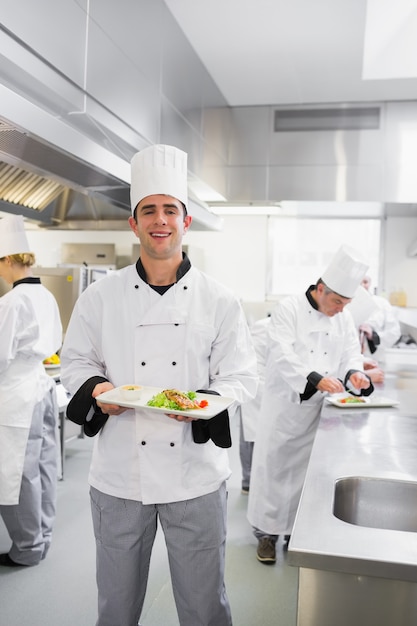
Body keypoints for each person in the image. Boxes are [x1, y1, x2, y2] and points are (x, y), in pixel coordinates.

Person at [60, 144, 258, 626]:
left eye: (170, 209)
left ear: (186, 222)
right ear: (134, 224)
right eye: (148, 210)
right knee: (117, 605)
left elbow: (241, 375)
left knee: (204, 604)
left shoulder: (220, 300)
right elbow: (75, 362)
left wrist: (205, 403)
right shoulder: (99, 296)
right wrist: (99, 391)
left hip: (195, 475)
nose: (160, 220)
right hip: (120, 476)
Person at [247, 245, 374, 565]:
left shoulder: (342, 318)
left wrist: (355, 374)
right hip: (285, 407)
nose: (341, 309)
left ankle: (294, 533)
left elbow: (349, 353)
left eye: (346, 304)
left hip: (320, 411)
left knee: (308, 477)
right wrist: (315, 378)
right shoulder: (288, 309)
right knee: (274, 470)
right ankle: (265, 534)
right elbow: (281, 353)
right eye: (337, 302)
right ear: (320, 289)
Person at [0, 214, 62, 567]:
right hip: (42, 389)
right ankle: (43, 535)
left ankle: (26, 548)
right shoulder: (46, 295)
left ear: (8, 260)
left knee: (18, 472)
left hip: (16, 397)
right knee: (42, 466)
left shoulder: (12, 302)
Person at [239, 315, 270, 494]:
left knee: (252, 434)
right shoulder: (266, 326)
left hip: (263, 383)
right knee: (250, 435)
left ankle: (250, 480)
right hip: (257, 385)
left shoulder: (265, 325)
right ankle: (248, 481)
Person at [359, 274, 401, 360]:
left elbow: (394, 332)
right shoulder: (343, 305)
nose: (362, 285)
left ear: (370, 283)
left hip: (376, 359)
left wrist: (374, 336)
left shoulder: (382, 304)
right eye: (358, 282)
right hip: (350, 362)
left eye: (365, 282)